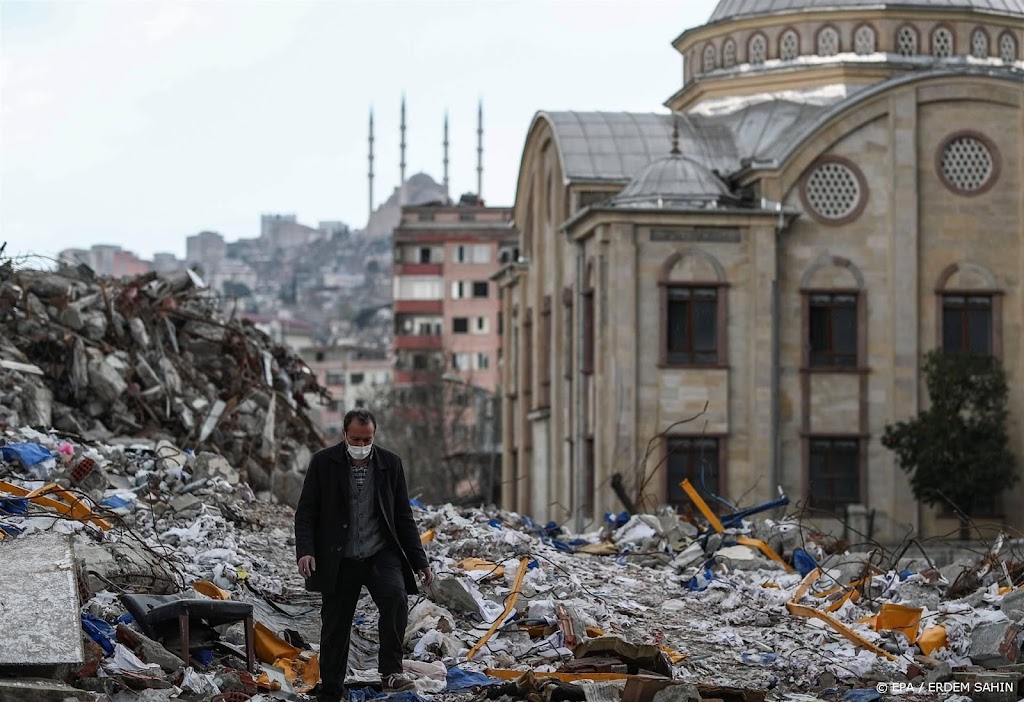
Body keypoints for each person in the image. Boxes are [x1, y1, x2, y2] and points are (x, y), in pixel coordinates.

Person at [294, 408, 434, 702]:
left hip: (379, 554)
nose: (361, 446)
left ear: (374, 435)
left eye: (366, 439)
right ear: (344, 434)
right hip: (339, 558)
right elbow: (306, 512)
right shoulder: (323, 463)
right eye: (355, 439)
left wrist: (420, 561)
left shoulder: (390, 464)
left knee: (396, 600)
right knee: (336, 623)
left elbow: (402, 516)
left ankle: (391, 673)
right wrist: (305, 551)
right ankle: (332, 687)